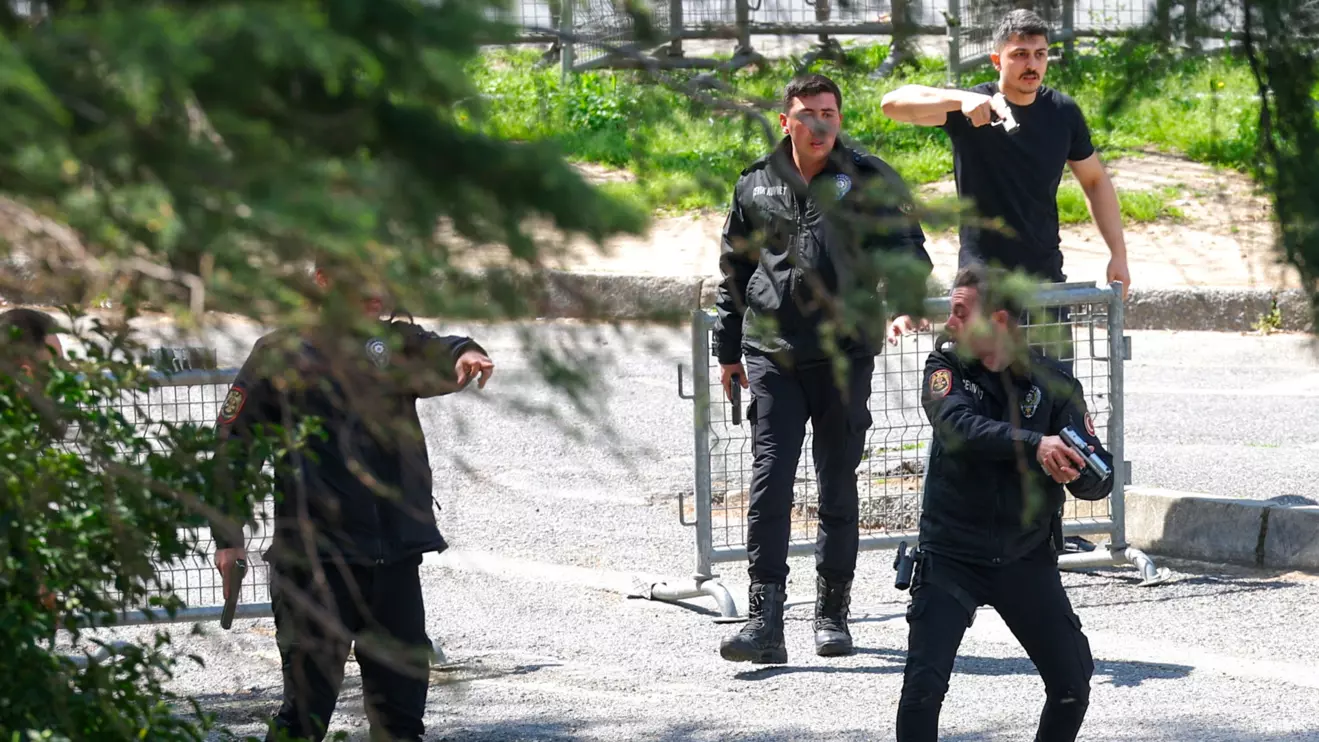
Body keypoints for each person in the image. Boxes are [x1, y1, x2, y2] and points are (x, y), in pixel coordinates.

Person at [210, 264, 495, 742]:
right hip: (316, 565)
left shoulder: (393, 345)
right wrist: (227, 537)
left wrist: (465, 351)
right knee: (305, 717)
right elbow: (235, 445)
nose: (376, 290)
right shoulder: (280, 353)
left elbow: (436, 348)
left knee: (401, 721)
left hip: (394, 564)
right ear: (323, 281)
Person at [712, 73, 934, 664]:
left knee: (837, 479)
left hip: (843, 355)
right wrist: (728, 350)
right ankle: (765, 622)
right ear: (785, 120)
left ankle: (832, 614)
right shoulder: (756, 184)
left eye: (829, 114)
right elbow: (734, 271)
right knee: (770, 479)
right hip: (771, 352)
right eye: (807, 113)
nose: (818, 124)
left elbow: (909, 246)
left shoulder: (868, 177)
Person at [896, 263, 1113, 742]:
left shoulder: (1054, 383)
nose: (947, 322)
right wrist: (1036, 445)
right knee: (922, 692)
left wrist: (1080, 469)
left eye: (959, 312)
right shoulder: (946, 367)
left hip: (1024, 557)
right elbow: (958, 427)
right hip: (952, 555)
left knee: (1072, 682)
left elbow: (1099, 476)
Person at [879, 9, 1132, 365]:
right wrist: (959, 100)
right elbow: (891, 104)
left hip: (1043, 275)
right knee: (980, 399)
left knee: (1055, 397)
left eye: (1039, 54)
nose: (1032, 64)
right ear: (997, 59)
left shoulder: (1062, 113)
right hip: (982, 277)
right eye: (1020, 55)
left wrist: (1118, 253)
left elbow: (1094, 180)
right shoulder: (971, 107)